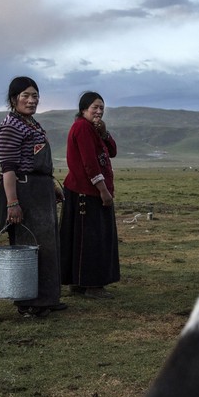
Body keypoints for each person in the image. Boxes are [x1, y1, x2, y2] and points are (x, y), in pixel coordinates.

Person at [0, 76, 65, 318]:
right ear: (14, 99)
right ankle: (29, 303)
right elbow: (9, 168)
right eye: (25, 95)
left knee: (47, 245)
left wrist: (51, 186)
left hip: (40, 190)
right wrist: (13, 202)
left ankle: (47, 298)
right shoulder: (10, 127)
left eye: (35, 96)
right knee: (29, 245)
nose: (31, 100)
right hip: (24, 192)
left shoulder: (32, 124)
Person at [60, 91, 120, 299]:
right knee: (93, 238)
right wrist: (103, 191)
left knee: (79, 237)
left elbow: (112, 152)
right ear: (83, 109)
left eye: (102, 108)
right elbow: (89, 163)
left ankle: (78, 282)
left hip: (80, 191)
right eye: (95, 107)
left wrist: (104, 133)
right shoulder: (83, 128)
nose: (99, 111)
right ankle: (93, 285)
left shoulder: (92, 129)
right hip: (87, 192)